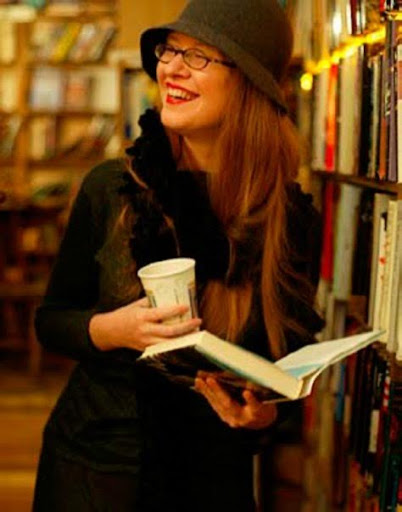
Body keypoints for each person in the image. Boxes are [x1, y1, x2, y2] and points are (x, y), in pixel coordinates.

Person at [32, 0, 324, 510]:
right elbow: (52, 320)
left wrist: (265, 414)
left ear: (250, 85)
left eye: (201, 56)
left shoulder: (288, 217)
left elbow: (288, 366)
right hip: (100, 468)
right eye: (171, 50)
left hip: (215, 476)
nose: (171, 66)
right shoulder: (114, 188)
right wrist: (112, 329)